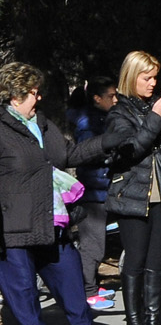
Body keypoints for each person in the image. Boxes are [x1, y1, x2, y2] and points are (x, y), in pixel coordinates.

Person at [0, 62, 112, 325]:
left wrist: (105, 142)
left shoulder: (43, 123)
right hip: (14, 225)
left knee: (71, 277)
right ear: (13, 96)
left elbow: (67, 156)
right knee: (22, 290)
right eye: (32, 93)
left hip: (52, 219)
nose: (38, 99)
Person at [101, 50, 161, 325]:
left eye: (155, 77)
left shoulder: (157, 106)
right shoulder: (119, 113)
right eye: (147, 77)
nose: (153, 83)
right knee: (136, 261)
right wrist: (156, 118)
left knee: (158, 262)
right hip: (132, 195)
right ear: (132, 78)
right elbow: (131, 149)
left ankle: (154, 324)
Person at [70, 75, 118, 311]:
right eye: (111, 96)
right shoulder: (89, 123)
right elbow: (87, 153)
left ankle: (92, 285)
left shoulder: (103, 118)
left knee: (97, 243)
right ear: (97, 98)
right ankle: (87, 292)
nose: (116, 99)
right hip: (93, 192)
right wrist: (110, 155)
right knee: (93, 245)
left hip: (101, 189)